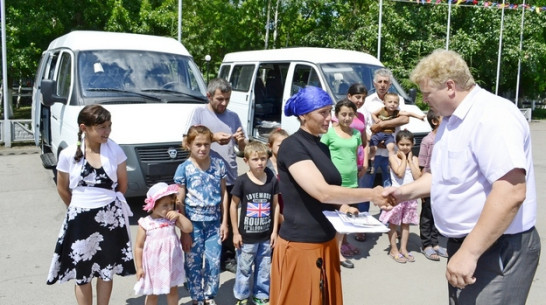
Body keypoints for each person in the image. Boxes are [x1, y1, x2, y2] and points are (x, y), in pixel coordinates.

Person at [383, 49, 540, 304]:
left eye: (427, 94)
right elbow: (440, 175)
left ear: (450, 87)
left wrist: (469, 252)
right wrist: (403, 193)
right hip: (472, 246)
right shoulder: (451, 120)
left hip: (495, 247)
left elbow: (511, 191)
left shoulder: (493, 117)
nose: (424, 102)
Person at [270, 86, 393, 305]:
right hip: (302, 244)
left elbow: (324, 193)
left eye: (330, 112)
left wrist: (342, 207)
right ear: (303, 115)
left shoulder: (320, 145)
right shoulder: (292, 146)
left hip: (325, 240)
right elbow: (322, 192)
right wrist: (372, 195)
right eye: (323, 113)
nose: (330, 119)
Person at [46, 104, 136, 305]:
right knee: (82, 271)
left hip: (110, 218)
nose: (107, 131)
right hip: (80, 219)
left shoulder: (115, 151)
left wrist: (105, 206)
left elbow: (123, 185)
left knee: (106, 270)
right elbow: (62, 188)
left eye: (109, 126)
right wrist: (79, 208)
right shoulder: (69, 153)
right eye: (102, 127)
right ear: (84, 128)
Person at [190, 78, 247, 273]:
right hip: (205, 177)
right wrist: (213, 137)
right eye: (220, 99)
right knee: (205, 218)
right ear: (209, 96)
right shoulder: (199, 113)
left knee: (229, 217)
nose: (224, 104)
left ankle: (228, 257)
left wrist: (241, 141)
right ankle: (200, 260)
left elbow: (244, 149)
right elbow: (187, 139)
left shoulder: (233, 116)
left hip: (229, 174)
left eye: (227, 99)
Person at [174, 125, 229, 305]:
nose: (203, 148)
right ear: (189, 145)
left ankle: (209, 295)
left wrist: (224, 222)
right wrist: (184, 231)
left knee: (213, 263)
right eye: (198, 144)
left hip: (214, 223)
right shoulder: (184, 168)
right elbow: (179, 199)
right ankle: (197, 296)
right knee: (193, 262)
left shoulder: (218, 165)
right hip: (193, 224)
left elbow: (224, 194)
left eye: (206, 144)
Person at [230, 141, 280, 305]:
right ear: (246, 161)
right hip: (246, 238)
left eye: (263, 159)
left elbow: (276, 205)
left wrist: (274, 232)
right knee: (244, 269)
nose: (260, 163)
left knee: (264, 269)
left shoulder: (272, 179)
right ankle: (242, 297)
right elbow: (233, 206)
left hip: (265, 236)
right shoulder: (242, 181)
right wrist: (236, 233)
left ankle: (262, 295)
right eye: (255, 159)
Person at [358, 69, 409, 225]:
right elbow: (365, 125)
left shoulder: (397, 99)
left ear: (390, 84)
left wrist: (383, 124)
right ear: (374, 83)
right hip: (372, 151)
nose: (382, 85)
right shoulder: (368, 101)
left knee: (389, 187)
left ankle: (385, 221)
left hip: (390, 153)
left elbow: (404, 119)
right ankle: (362, 224)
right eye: (379, 81)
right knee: (365, 188)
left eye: (385, 82)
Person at [133, 183, 193, 305]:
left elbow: (188, 228)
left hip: (171, 263)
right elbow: (139, 247)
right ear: (153, 206)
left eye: (171, 204)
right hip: (153, 266)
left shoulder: (172, 219)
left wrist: (179, 216)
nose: (169, 208)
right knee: (153, 294)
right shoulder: (145, 223)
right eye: (165, 205)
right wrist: (139, 267)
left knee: (172, 291)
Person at [321, 99, 364, 269]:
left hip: (352, 181)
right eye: (343, 114)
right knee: (336, 218)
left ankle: (340, 247)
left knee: (346, 218)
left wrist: (362, 167)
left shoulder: (356, 134)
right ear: (336, 115)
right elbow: (322, 155)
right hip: (334, 182)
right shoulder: (329, 133)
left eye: (350, 114)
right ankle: (335, 253)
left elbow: (356, 154)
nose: (347, 118)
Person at [379, 130, 421, 263]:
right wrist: (403, 159)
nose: (405, 147)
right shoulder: (393, 157)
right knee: (393, 224)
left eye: (408, 144)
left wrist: (410, 160)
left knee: (406, 224)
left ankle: (403, 248)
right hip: (396, 197)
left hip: (410, 197)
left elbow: (418, 177)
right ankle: (393, 249)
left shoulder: (414, 158)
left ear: (412, 144)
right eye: (402, 144)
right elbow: (399, 173)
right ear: (397, 144)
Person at [417, 110, 447, 261]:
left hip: (442, 182)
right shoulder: (428, 140)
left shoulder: (446, 138)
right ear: (435, 121)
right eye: (443, 117)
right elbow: (422, 165)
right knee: (427, 215)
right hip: (429, 182)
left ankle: (435, 243)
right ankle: (426, 245)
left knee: (437, 213)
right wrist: (422, 190)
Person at [346, 83, 370, 242]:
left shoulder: (361, 116)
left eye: (363, 98)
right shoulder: (339, 115)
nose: (360, 101)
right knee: (344, 198)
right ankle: (343, 236)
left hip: (359, 162)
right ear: (349, 96)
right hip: (345, 162)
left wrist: (366, 162)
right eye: (357, 97)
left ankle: (356, 228)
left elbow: (365, 142)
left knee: (357, 197)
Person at [369, 93, 425, 160]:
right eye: (390, 102)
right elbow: (373, 114)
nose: (392, 104)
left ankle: (392, 159)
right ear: (384, 103)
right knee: (372, 146)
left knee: (391, 147)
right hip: (379, 133)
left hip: (388, 134)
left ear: (398, 104)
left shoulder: (397, 112)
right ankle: (370, 158)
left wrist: (419, 117)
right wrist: (376, 120)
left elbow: (409, 114)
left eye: (395, 102)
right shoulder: (381, 110)